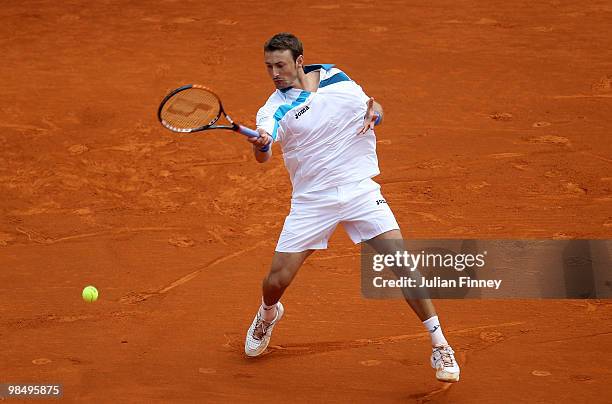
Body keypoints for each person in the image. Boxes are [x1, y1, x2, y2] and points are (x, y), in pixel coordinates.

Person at [244, 32, 460, 383]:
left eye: (280, 65)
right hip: (313, 201)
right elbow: (263, 155)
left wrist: (376, 114)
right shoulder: (273, 108)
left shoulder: (336, 77)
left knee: (401, 263)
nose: (274, 73)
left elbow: (375, 108)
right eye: (268, 66)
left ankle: (440, 345)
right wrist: (262, 144)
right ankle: (268, 314)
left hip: (360, 190)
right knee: (276, 280)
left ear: (299, 61)